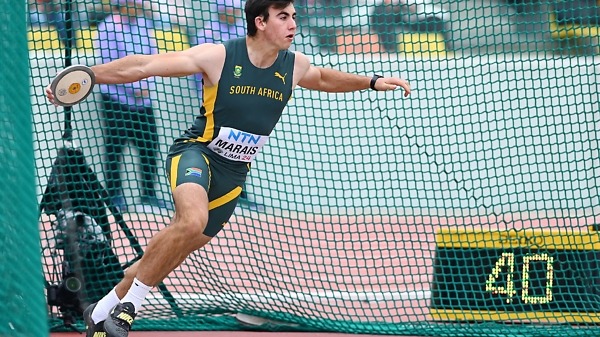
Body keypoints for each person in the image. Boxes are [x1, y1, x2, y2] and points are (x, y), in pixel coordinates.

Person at [45, 0, 410, 335]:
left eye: (295, 17)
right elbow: (144, 65)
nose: (293, 24)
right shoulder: (218, 56)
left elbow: (324, 78)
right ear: (261, 22)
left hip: (234, 173)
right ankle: (128, 309)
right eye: (284, 17)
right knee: (190, 221)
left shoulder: (294, 64)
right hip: (198, 153)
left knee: (178, 243)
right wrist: (89, 74)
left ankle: (101, 309)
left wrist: (372, 81)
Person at [96, 0, 171, 212]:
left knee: (149, 146)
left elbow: (154, 58)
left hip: (143, 102)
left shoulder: (143, 26)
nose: (138, 8)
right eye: (134, 4)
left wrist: (147, 86)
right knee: (115, 147)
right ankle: (114, 197)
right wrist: (134, 88)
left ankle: (148, 194)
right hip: (116, 100)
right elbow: (109, 65)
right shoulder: (108, 28)